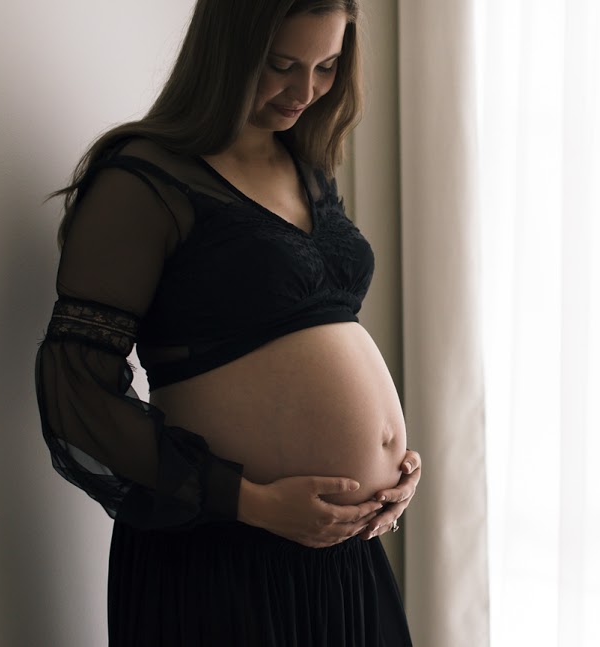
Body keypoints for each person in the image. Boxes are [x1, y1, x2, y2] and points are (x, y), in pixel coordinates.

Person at [34, 1, 419, 644]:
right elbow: (76, 388)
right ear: (227, 53)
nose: (304, 91)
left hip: (343, 555)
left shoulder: (306, 166)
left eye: (326, 66)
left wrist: (392, 468)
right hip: (223, 554)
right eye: (281, 65)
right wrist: (254, 502)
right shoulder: (145, 179)